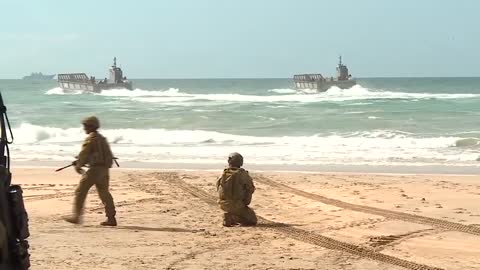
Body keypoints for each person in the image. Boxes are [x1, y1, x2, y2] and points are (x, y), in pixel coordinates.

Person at [64, 116, 117, 226]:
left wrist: (78, 165)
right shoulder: (102, 139)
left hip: (94, 171)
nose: (84, 129)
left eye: (85, 126)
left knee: (80, 191)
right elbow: (107, 156)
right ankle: (111, 218)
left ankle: (76, 217)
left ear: (90, 126)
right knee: (105, 194)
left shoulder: (90, 138)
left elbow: (84, 154)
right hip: (104, 170)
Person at [216, 152, 257, 227]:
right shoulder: (242, 174)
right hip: (237, 204)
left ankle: (230, 215)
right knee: (252, 220)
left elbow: (218, 186)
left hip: (222, 203)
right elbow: (250, 188)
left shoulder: (224, 173)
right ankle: (233, 218)